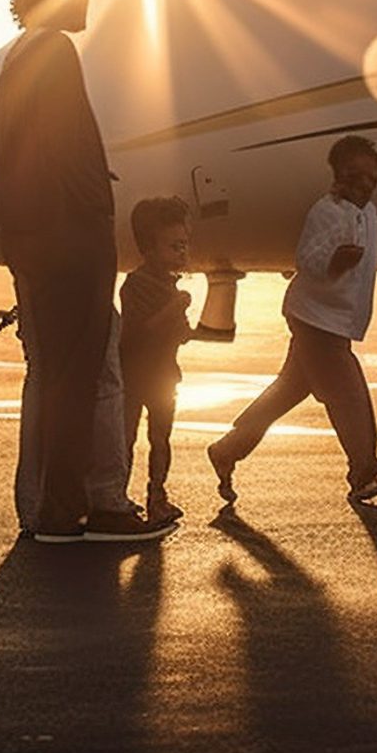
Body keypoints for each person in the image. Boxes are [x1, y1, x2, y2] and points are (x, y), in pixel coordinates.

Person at [0, 0, 170, 544]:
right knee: (77, 373)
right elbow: (63, 150)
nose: (90, 1)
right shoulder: (54, 52)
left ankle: (48, 505)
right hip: (67, 237)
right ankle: (71, 510)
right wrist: (96, 210)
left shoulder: (19, 53)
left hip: (31, 232)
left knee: (49, 372)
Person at [207, 136, 377, 506]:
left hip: (337, 322)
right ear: (338, 176)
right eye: (355, 176)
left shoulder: (370, 214)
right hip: (315, 320)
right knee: (348, 392)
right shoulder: (326, 212)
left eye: (371, 177)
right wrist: (333, 262)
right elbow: (306, 259)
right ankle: (364, 471)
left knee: (287, 391)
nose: (364, 184)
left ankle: (227, 450)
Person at [120, 196, 220, 526]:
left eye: (184, 245)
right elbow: (142, 329)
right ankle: (116, 495)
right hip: (134, 375)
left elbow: (179, 334)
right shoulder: (136, 284)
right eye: (174, 246)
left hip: (165, 376)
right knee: (126, 438)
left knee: (161, 439)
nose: (182, 253)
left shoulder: (172, 285)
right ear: (148, 248)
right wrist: (174, 308)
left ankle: (157, 495)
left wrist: (196, 327)